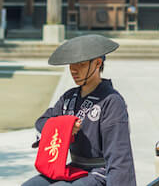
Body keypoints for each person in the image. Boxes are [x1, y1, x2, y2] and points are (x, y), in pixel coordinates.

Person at [22, 35, 137, 186]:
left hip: (100, 172)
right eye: (71, 64)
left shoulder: (112, 101)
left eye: (81, 64)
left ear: (97, 63)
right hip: (74, 169)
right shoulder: (68, 98)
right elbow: (42, 122)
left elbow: (119, 156)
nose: (74, 70)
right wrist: (65, 127)